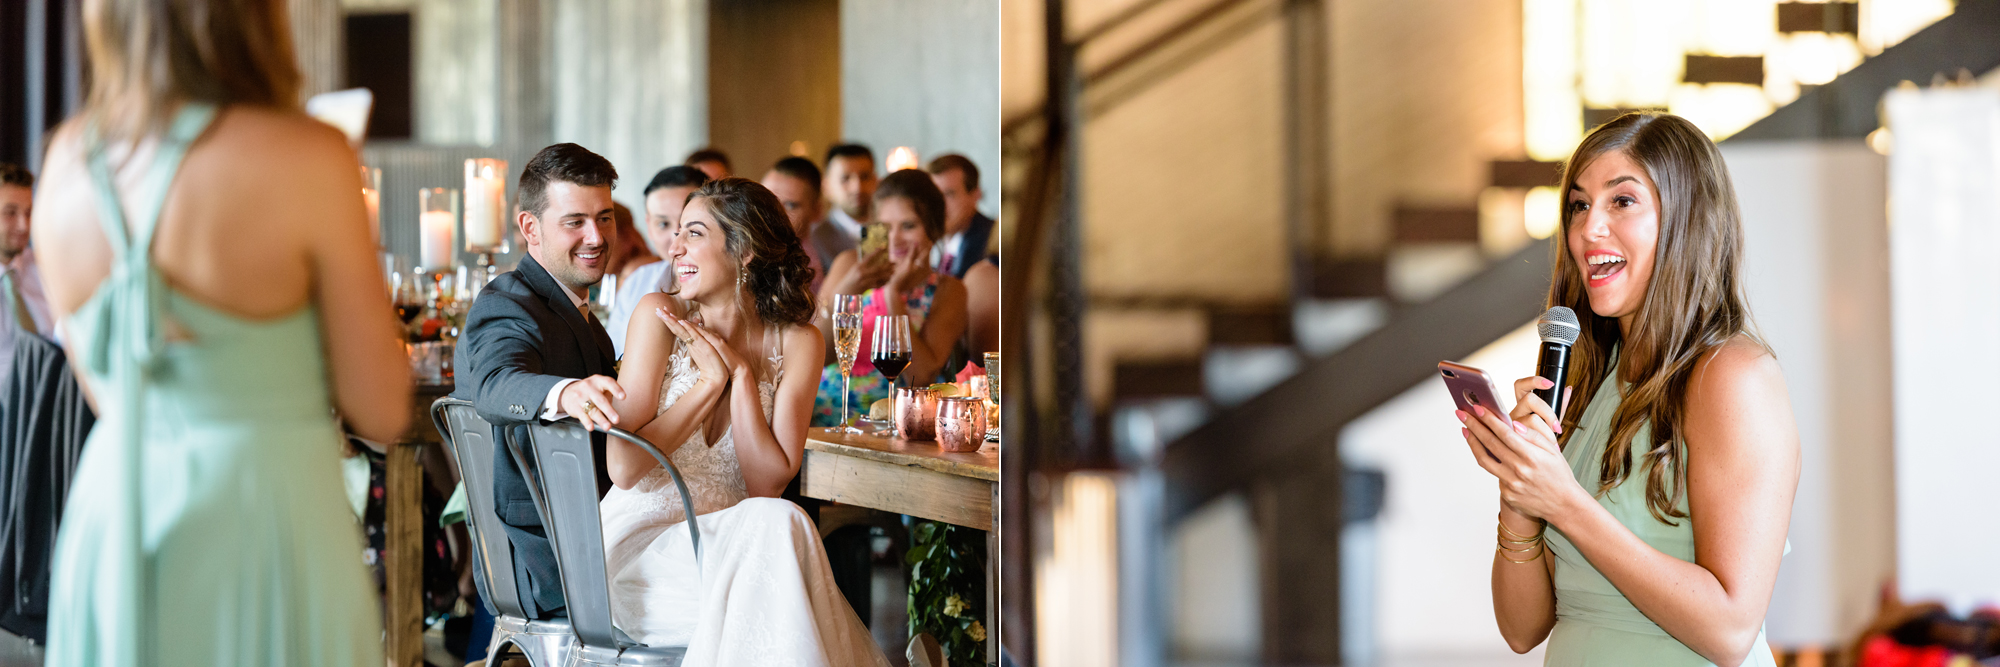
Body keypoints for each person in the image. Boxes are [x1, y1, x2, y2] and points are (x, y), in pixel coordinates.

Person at [29, 0, 411, 661]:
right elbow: (380, 406)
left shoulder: (66, 158)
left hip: (115, 511)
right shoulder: (307, 154)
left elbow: (108, 390)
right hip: (264, 513)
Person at [1459, 113, 1798, 667]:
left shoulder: (1734, 376)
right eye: (1579, 205)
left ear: (1685, 219)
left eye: (1621, 201)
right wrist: (1521, 490)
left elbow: (1731, 631)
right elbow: (1522, 630)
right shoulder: (1591, 380)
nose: (1590, 229)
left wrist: (1565, 504)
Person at [595, 177, 886, 665]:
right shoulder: (658, 315)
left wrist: (741, 377)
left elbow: (766, 484)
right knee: (787, 576)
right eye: (676, 233)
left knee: (778, 531)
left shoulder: (798, 342)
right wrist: (708, 385)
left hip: (737, 550)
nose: (674, 245)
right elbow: (623, 468)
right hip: (638, 561)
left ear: (745, 249)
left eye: (694, 233)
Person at [453, 142, 628, 619]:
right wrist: (566, 392)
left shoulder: (580, 316)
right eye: (575, 222)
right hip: (548, 562)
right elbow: (495, 383)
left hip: (587, 537)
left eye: (605, 217)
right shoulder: (508, 303)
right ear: (530, 228)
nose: (596, 236)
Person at [812, 170, 969, 426]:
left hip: (895, 424)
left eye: (908, 226)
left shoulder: (948, 290)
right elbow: (818, 355)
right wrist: (847, 289)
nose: (895, 238)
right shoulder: (848, 264)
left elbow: (922, 376)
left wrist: (891, 295)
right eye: (885, 228)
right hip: (824, 413)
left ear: (935, 228)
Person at [608, 166, 708, 357]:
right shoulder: (636, 282)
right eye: (663, 224)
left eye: (689, 225)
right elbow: (613, 357)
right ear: (649, 227)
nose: (675, 238)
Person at [0, 164, 54, 384]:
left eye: (29, 213)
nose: (24, 226)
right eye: (10, 213)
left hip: (50, 401)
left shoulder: (46, 270)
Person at [762, 156, 848, 294]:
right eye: (767, 201)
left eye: (790, 205)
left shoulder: (820, 262)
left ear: (816, 211)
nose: (774, 212)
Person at [925, 154, 996, 279]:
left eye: (949, 194)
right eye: (934, 195)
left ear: (975, 195)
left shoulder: (992, 243)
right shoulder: (929, 240)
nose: (940, 204)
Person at [822, 144, 877, 245]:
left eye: (865, 177)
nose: (857, 188)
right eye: (845, 179)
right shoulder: (816, 240)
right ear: (826, 186)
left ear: (875, 180)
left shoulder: (891, 231)